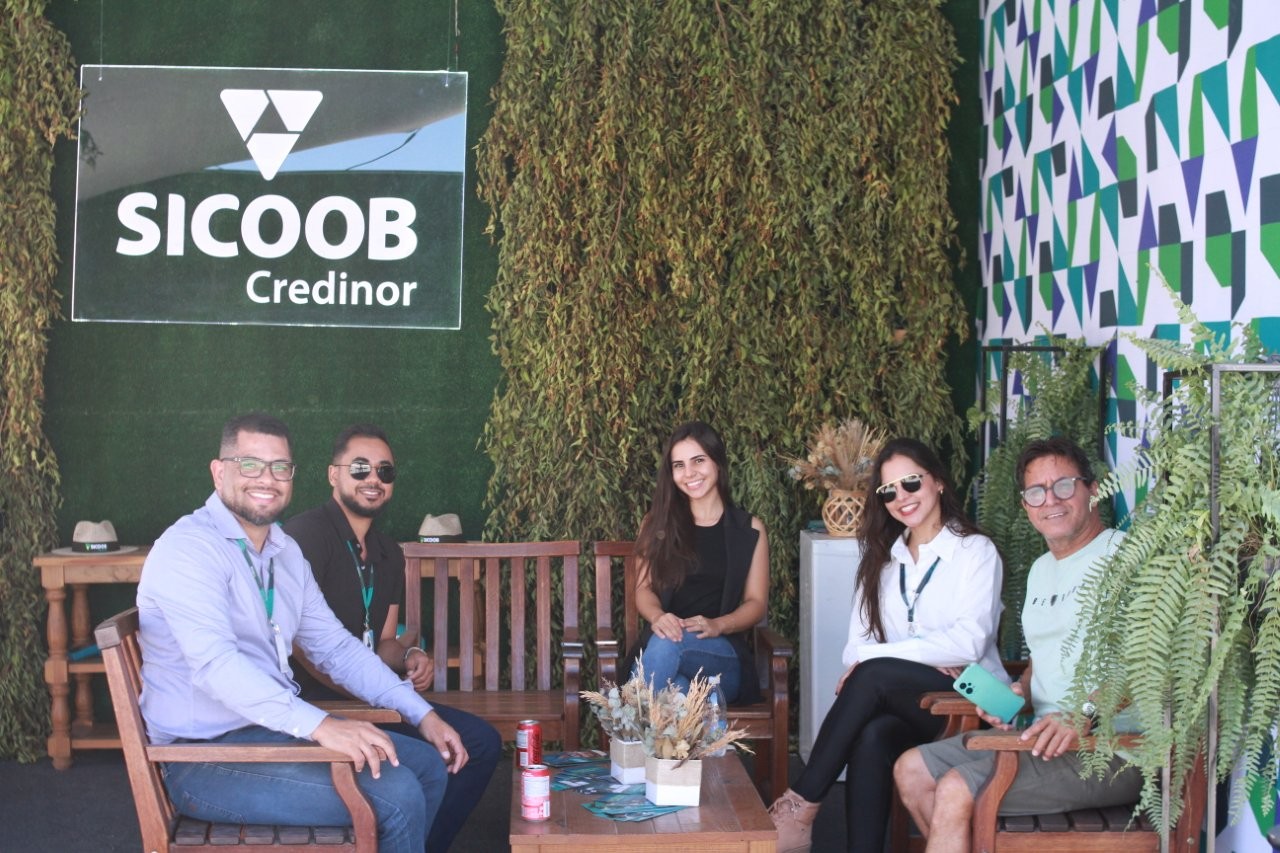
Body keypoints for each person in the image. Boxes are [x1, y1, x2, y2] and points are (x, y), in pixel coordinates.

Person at [136, 413, 466, 853]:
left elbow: (336, 648)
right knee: (398, 793)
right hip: (200, 759)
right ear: (219, 471)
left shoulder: (285, 553)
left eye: (280, 467)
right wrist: (323, 725)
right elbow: (217, 667)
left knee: (426, 764)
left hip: (269, 731)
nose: (266, 479)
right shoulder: (188, 549)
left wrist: (420, 713)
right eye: (250, 464)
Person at [893, 436, 1141, 853]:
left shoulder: (1125, 557)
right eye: (1036, 492)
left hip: (1112, 749)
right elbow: (1043, 660)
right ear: (1026, 506)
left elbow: (1151, 667)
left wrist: (1081, 714)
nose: (1051, 500)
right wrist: (1015, 696)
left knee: (955, 789)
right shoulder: (1041, 570)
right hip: (1041, 738)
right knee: (911, 769)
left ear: (1093, 490)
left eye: (1064, 486)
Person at [768, 437, 1007, 853]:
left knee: (875, 673)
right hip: (918, 703)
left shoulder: (975, 551)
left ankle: (800, 805)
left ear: (938, 482)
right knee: (873, 734)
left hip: (982, 696)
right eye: (888, 491)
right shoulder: (882, 559)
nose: (902, 497)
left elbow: (968, 644)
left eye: (911, 483)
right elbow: (854, 649)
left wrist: (887, 657)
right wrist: (924, 659)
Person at [284, 423, 501, 852]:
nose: (374, 479)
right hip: (318, 703)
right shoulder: (306, 535)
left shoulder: (388, 553)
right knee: (437, 756)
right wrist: (369, 695)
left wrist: (409, 655)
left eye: (385, 471)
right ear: (333, 475)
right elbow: (301, 644)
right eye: (360, 468)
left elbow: (384, 640)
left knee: (478, 742)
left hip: (372, 693)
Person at [629, 420, 769, 705]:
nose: (689, 473)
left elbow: (756, 603)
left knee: (668, 646)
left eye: (698, 461)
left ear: (717, 462)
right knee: (677, 690)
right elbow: (643, 589)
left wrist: (718, 625)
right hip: (663, 648)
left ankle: (629, 724)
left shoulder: (749, 529)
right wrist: (658, 617)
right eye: (679, 465)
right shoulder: (656, 524)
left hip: (722, 657)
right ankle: (699, 712)